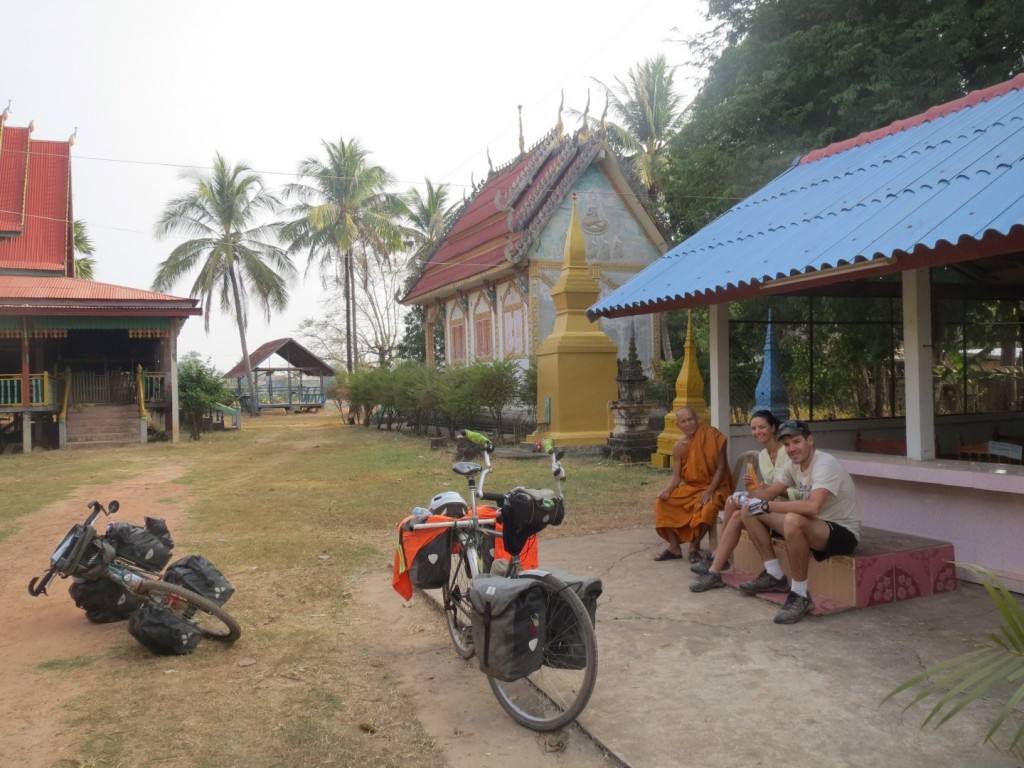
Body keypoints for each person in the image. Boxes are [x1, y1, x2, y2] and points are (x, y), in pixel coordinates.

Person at [736, 419, 861, 625]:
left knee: (793, 519)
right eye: (787, 445)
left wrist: (769, 506)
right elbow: (767, 494)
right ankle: (774, 575)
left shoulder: (824, 463)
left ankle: (800, 595)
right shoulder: (793, 466)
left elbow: (813, 507)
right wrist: (751, 490)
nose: (792, 449)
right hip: (813, 525)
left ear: (810, 440)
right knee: (749, 509)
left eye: (796, 442)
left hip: (841, 532)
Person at [689, 409, 794, 591]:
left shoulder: (789, 453)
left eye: (762, 427)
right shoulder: (762, 456)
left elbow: (793, 491)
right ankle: (716, 567)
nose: (757, 432)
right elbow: (765, 492)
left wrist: (767, 490)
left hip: (786, 511)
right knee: (734, 503)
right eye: (753, 428)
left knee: (738, 508)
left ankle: (718, 560)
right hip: (768, 506)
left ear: (773, 428)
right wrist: (753, 487)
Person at [653, 406, 732, 563]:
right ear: (678, 425)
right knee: (661, 503)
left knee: (708, 507)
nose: (688, 424)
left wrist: (710, 490)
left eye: (690, 419)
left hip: (717, 487)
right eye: (683, 421)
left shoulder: (713, 436)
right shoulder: (679, 447)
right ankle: (674, 547)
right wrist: (667, 491)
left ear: (697, 420)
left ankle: (694, 547)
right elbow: (676, 476)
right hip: (692, 488)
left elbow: (722, 467)